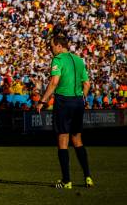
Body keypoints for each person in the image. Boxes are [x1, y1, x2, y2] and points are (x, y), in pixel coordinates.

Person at [37, 30, 93, 189]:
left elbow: (54, 82)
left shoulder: (58, 59)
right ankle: (88, 177)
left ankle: (66, 181)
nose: (50, 49)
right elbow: (87, 84)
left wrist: (43, 100)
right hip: (78, 102)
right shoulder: (79, 60)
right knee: (77, 139)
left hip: (64, 101)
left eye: (51, 46)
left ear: (60, 46)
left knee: (63, 140)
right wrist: (83, 99)